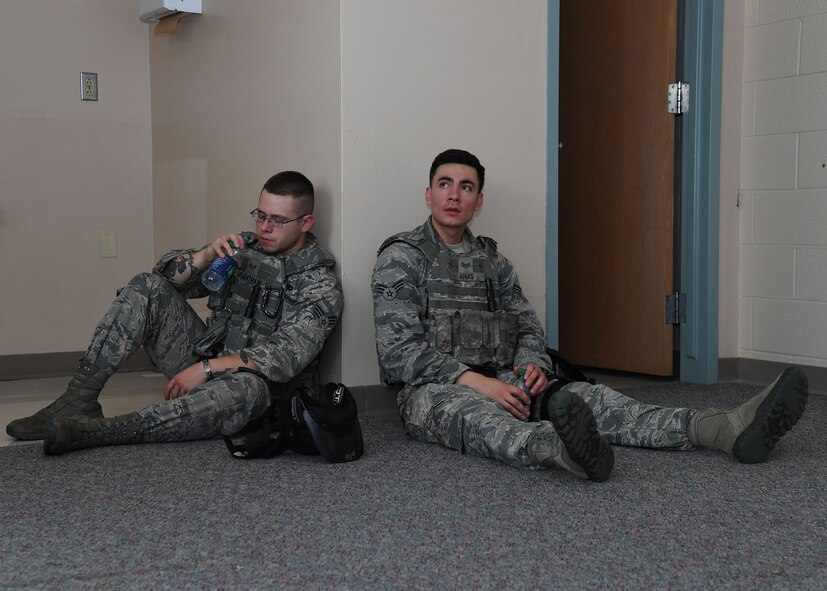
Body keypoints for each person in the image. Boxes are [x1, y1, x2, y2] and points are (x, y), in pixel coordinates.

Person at [371, 148, 809, 482]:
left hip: (506, 379)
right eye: (444, 184)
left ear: (478, 200)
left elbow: (526, 325)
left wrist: (531, 367)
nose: (454, 194)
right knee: (479, 418)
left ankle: (720, 429)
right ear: (429, 194)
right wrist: (475, 382)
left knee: (593, 400)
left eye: (466, 187)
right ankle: (563, 450)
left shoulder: (493, 262)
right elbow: (397, 352)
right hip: (437, 390)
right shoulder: (402, 258)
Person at [7, 171, 344, 456]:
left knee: (247, 391)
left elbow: (284, 357)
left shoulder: (320, 284)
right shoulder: (244, 249)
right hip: (206, 361)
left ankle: (100, 431)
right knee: (146, 286)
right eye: (260, 215)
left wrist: (206, 369)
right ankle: (78, 399)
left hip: (256, 391)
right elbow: (164, 280)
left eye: (278, 220)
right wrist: (207, 255)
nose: (264, 228)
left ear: (306, 222)